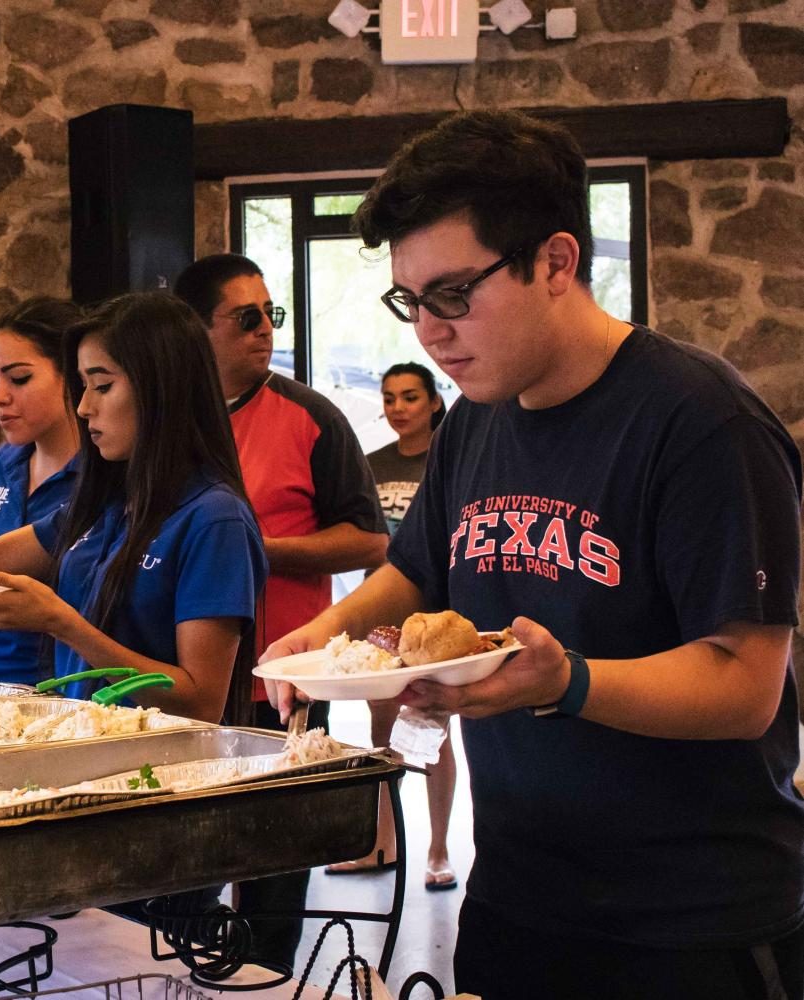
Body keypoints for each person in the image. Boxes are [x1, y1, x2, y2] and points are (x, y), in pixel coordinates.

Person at [264, 110, 804, 999]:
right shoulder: (477, 416)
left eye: (453, 294)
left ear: (555, 262)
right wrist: (323, 635)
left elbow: (744, 686)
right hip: (517, 893)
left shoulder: (700, 422)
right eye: (410, 301)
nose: (428, 333)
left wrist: (564, 683)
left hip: (688, 921)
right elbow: (418, 569)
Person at [0, 291, 266, 725]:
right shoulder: (112, 504)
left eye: (102, 386)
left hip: (156, 771)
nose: (85, 407)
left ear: (161, 388)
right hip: (83, 746)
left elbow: (202, 700)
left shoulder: (213, 517)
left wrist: (62, 623)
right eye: (84, 386)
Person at [174, 253, 387, 969]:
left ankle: (267, 978)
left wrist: (252, 548)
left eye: (272, 314)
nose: (265, 329)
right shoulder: (166, 424)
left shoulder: (308, 416)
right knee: (185, 851)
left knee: (273, 858)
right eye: (246, 317)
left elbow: (367, 537)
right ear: (196, 331)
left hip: (281, 677)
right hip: (185, 680)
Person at [326, 362, 458, 890]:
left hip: (436, 616)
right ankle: (383, 842)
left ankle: (440, 850)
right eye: (389, 397)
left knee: (435, 728)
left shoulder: (449, 457)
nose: (398, 407)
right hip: (382, 616)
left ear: (432, 402)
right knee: (383, 733)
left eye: (409, 397)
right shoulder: (372, 464)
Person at [0, 296, 84, 685]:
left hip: (67, 690)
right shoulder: (2, 465)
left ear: (73, 376)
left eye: (18, 379)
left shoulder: (101, 477)